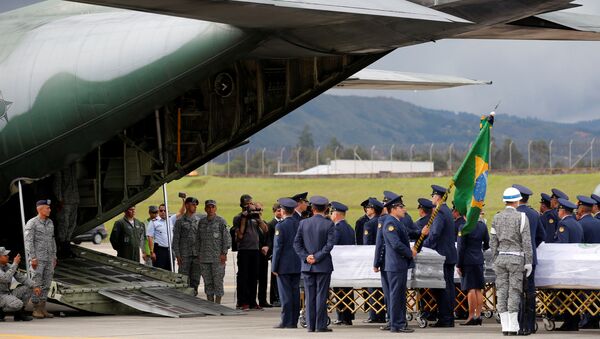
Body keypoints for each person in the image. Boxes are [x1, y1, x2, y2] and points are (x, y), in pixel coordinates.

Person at [490, 187, 533, 336]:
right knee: (514, 291)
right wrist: (529, 261)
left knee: (501, 291)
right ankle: (513, 327)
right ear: (517, 201)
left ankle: (505, 326)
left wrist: (495, 258)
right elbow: (526, 242)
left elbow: (493, 242)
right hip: (516, 259)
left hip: (501, 258)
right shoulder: (522, 217)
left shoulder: (496, 217)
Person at [293, 195, 335, 332]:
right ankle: (320, 325)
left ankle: (310, 326)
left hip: (307, 265)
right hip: (322, 265)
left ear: (312, 208)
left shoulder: (303, 223)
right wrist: (317, 257)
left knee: (309, 296)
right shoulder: (329, 224)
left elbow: (297, 244)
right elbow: (329, 245)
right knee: (321, 295)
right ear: (326, 208)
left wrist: (307, 257)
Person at [419, 185, 457, 328]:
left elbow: (435, 234)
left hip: (442, 255)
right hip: (448, 254)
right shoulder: (445, 210)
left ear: (438, 197)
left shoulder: (439, 212)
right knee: (448, 287)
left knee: (443, 288)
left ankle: (445, 319)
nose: (432, 199)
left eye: (433, 196)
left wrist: (423, 247)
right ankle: (448, 317)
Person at [512, 184, 546, 335]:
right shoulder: (534, 214)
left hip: (516, 258)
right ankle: (530, 324)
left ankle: (519, 325)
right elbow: (541, 236)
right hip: (531, 258)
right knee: (530, 291)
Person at [378, 195, 414, 333]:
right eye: (401, 207)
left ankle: (398, 322)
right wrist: (410, 252)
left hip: (398, 264)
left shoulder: (397, 222)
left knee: (398, 294)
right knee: (396, 295)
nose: (403, 209)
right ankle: (396, 324)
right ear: (393, 209)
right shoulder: (390, 223)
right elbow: (396, 244)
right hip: (395, 264)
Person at [233, 194, 268, 310]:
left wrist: (258, 217)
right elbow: (240, 235)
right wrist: (244, 218)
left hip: (255, 249)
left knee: (254, 276)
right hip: (244, 250)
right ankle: (243, 301)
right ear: (242, 205)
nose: (249, 206)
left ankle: (253, 301)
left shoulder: (255, 217)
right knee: (244, 276)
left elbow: (265, 230)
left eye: (250, 203)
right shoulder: (238, 217)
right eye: (247, 204)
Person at [24, 199, 58, 319]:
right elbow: (29, 242)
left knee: (47, 283)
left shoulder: (50, 223)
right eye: (47, 208)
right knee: (37, 283)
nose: (50, 210)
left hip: (49, 258)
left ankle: (43, 307)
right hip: (37, 259)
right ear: (40, 209)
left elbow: (52, 240)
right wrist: (33, 257)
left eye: (49, 208)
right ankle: (36, 308)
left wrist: (54, 256)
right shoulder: (32, 223)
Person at [554, 198, 584, 331]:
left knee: (565, 294)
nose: (557, 212)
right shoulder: (577, 223)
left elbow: (563, 246)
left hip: (566, 265)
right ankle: (574, 321)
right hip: (576, 263)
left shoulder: (563, 225)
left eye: (558, 210)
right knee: (574, 293)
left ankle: (569, 321)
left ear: (562, 211)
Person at [272, 198, 301, 329]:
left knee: (285, 295)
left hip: (284, 265)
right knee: (295, 294)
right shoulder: (299, 224)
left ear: (283, 211)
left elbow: (278, 248)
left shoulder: (280, 226)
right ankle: (293, 321)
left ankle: (285, 321)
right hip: (297, 264)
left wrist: (274, 266)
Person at [456, 212, 489, 326]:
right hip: (479, 259)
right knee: (478, 289)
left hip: (467, 261)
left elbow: (460, 248)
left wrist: (458, 264)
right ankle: (478, 315)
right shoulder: (482, 225)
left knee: (470, 289)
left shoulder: (463, 227)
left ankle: (471, 316)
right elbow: (487, 243)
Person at [197, 200, 230, 304]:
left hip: (217, 257)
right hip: (204, 257)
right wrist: (198, 253)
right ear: (205, 209)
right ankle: (210, 303)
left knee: (218, 281)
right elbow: (198, 239)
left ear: (215, 208)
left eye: (212, 207)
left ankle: (218, 303)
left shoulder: (221, 221)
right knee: (208, 281)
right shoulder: (202, 222)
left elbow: (226, 239)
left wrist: (224, 253)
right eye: (208, 207)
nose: (210, 209)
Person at [576, 195, 600, 329]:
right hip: (598, 263)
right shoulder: (598, 222)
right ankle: (595, 317)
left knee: (586, 293)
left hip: (585, 264)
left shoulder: (580, 225)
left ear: (581, 209)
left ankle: (588, 319)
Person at [330, 201, 355, 326]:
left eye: (332, 213)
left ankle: (341, 316)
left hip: (339, 264)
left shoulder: (337, 229)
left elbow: (332, 246)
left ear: (336, 214)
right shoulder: (349, 228)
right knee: (348, 290)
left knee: (339, 290)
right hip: (348, 265)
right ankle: (348, 317)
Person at [362, 197, 386, 324]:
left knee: (372, 287)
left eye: (369, 207)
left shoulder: (369, 224)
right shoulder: (384, 220)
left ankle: (374, 315)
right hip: (383, 258)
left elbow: (366, 245)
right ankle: (382, 314)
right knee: (382, 288)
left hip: (372, 259)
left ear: (373, 210)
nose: (366, 209)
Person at [173, 197, 202, 295]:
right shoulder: (180, 221)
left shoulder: (199, 221)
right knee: (183, 279)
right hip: (184, 255)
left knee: (195, 279)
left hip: (196, 255)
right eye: (192, 204)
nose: (195, 207)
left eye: (195, 205)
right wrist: (177, 255)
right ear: (186, 205)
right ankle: (184, 299)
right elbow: (176, 240)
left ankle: (194, 296)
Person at [53, 164, 79, 258]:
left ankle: (67, 248)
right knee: (64, 225)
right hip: (65, 200)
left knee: (72, 225)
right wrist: (59, 199)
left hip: (74, 199)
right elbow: (57, 183)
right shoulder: (61, 165)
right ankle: (62, 249)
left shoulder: (73, 166)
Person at [0, 247, 34, 321]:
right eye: (5, 255)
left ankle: (19, 314)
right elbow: (5, 279)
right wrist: (15, 263)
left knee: (28, 287)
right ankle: (1, 312)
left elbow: (21, 278)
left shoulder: (7, 266)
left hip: (6, 293)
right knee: (18, 304)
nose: (8, 256)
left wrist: (34, 286)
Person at [147, 203, 182, 270]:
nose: (163, 212)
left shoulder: (171, 220)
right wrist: (152, 252)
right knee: (159, 271)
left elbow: (181, 212)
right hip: (160, 250)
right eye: (161, 210)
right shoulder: (154, 222)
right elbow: (150, 237)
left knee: (170, 270)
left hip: (170, 250)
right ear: (158, 212)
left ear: (168, 211)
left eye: (165, 210)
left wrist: (183, 201)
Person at [266, 203, 282, 307]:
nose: (280, 213)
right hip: (274, 254)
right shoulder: (271, 224)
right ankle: (275, 298)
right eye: (278, 211)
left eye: (281, 210)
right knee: (274, 277)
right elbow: (270, 240)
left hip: (281, 254)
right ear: (274, 212)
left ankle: (279, 297)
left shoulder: (282, 223)